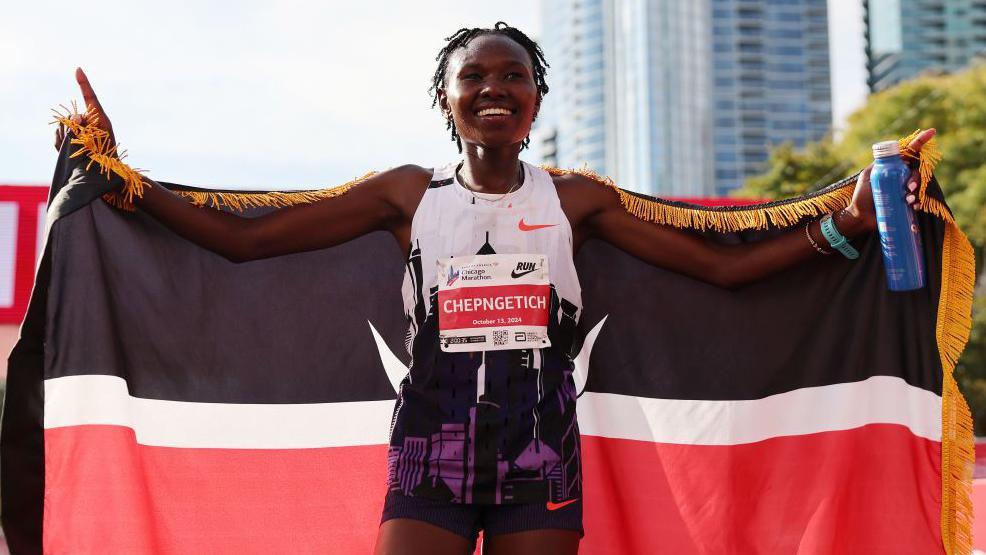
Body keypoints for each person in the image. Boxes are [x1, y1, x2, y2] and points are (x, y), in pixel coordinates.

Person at [58, 22, 934, 555]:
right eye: (474, 76)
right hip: (429, 450)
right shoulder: (407, 195)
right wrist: (122, 177)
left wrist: (839, 223)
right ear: (447, 101)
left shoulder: (577, 200)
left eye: (512, 76)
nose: (494, 88)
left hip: (538, 454)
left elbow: (722, 266)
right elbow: (246, 243)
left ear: (536, 100)